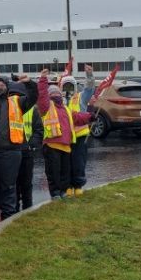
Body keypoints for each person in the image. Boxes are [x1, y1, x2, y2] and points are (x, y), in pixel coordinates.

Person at [0, 75, 37, 227]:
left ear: (7, 87)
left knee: (8, 188)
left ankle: (6, 223)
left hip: (10, 153)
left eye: (1, 85)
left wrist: (30, 84)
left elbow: (33, 97)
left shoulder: (17, 102)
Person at [37, 69, 94, 200]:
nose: (57, 94)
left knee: (71, 168)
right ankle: (59, 191)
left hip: (72, 141)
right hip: (54, 143)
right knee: (55, 172)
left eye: (70, 85)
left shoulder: (73, 102)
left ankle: (70, 188)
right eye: (56, 92)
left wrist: (90, 117)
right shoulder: (49, 105)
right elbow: (42, 96)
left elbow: (76, 116)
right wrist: (43, 79)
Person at [63, 66, 95, 197]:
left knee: (78, 163)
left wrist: (89, 75)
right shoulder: (59, 100)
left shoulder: (81, 97)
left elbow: (90, 88)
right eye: (66, 86)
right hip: (65, 138)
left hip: (80, 137)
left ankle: (78, 185)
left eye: (71, 86)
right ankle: (68, 186)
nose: (68, 89)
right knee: (65, 163)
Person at [16, 82, 44, 211]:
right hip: (12, 152)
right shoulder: (7, 109)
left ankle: (27, 210)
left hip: (26, 152)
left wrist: (31, 145)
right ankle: (14, 211)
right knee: (13, 186)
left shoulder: (32, 110)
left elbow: (38, 129)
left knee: (26, 184)